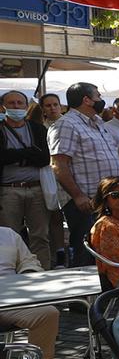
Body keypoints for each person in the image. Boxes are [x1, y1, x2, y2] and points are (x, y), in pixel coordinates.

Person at [49, 82, 119, 267]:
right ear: (86, 100)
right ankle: (85, 295)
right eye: (98, 96)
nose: (101, 100)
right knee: (86, 254)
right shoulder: (66, 124)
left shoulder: (98, 122)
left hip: (107, 199)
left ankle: (107, 294)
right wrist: (78, 196)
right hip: (85, 203)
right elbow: (58, 165)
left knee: (108, 252)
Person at [0, 226, 62, 359]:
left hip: (12, 299)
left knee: (48, 313)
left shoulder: (8, 234)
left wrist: (27, 274)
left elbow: (29, 261)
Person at [0, 90, 53, 270]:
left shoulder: (37, 129)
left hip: (36, 189)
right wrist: (28, 154)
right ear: (3, 107)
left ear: (26, 106)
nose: (16, 106)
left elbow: (44, 158)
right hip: (8, 190)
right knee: (9, 236)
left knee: (40, 235)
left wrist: (15, 156)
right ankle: (12, 275)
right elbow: (2, 157)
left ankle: (42, 272)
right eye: (11, 103)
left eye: (19, 103)